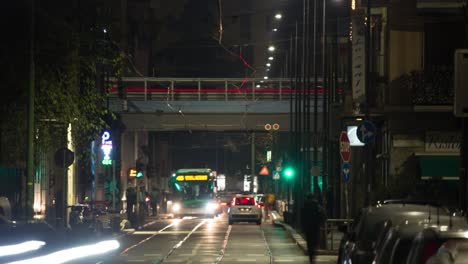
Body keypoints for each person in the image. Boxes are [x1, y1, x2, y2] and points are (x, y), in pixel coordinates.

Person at [301, 193, 327, 263]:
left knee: (309, 243)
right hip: (316, 227)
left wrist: (303, 227)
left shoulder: (304, 206)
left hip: (308, 228)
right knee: (315, 243)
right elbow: (323, 216)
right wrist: (320, 223)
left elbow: (302, 217)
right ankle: (313, 257)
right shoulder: (317, 206)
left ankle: (311, 258)